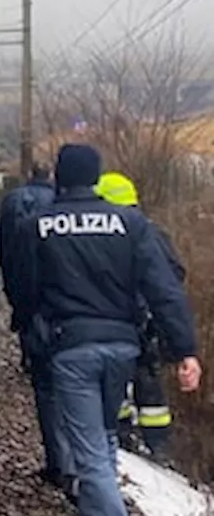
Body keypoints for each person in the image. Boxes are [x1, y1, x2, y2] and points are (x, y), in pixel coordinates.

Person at [16, 144, 201, 516]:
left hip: (72, 348)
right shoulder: (130, 225)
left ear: (59, 178)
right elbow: (163, 290)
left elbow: (25, 291)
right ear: (96, 177)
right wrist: (184, 350)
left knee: (90, 455)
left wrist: (35, 339)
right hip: (123, 348)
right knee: (103, 437)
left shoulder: (38, 225)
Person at [96, 171, 187, 464]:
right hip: (149, 321)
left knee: (120, 380)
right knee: (150, 384)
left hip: (124, 320)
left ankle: (124, 434)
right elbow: (175, 274)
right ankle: (158, 448)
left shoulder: (110, 235)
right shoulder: (152, 231)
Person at [0, 164, 69, 492]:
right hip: (53, 284)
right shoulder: (56, 202)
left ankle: (61, 465)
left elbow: (4, 240)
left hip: (19, 262)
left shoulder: (13, 199)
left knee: (31, 318)